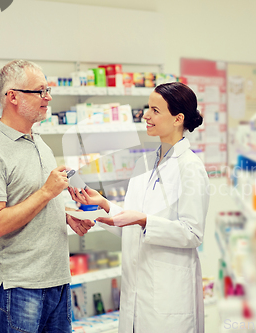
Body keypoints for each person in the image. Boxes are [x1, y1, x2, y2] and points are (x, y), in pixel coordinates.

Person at [69, 82, 210, 333]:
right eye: (148, 108)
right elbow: (133, 218)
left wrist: (145, 221)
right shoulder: (145, 162)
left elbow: (192, 233)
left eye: (155, 110)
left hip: (167, 296)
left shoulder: (190, 167)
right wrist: (104, 204)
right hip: (137, 291)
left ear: (178, 118)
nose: (146, 115)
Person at [0, 60, 95, 333]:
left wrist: (65, 216)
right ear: (12, 96)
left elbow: (34, 201)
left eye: (47, 90)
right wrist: (47, 191)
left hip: (57, 281)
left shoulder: (38, 141)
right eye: (40, 91)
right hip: (19, 287)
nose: (48, 97)